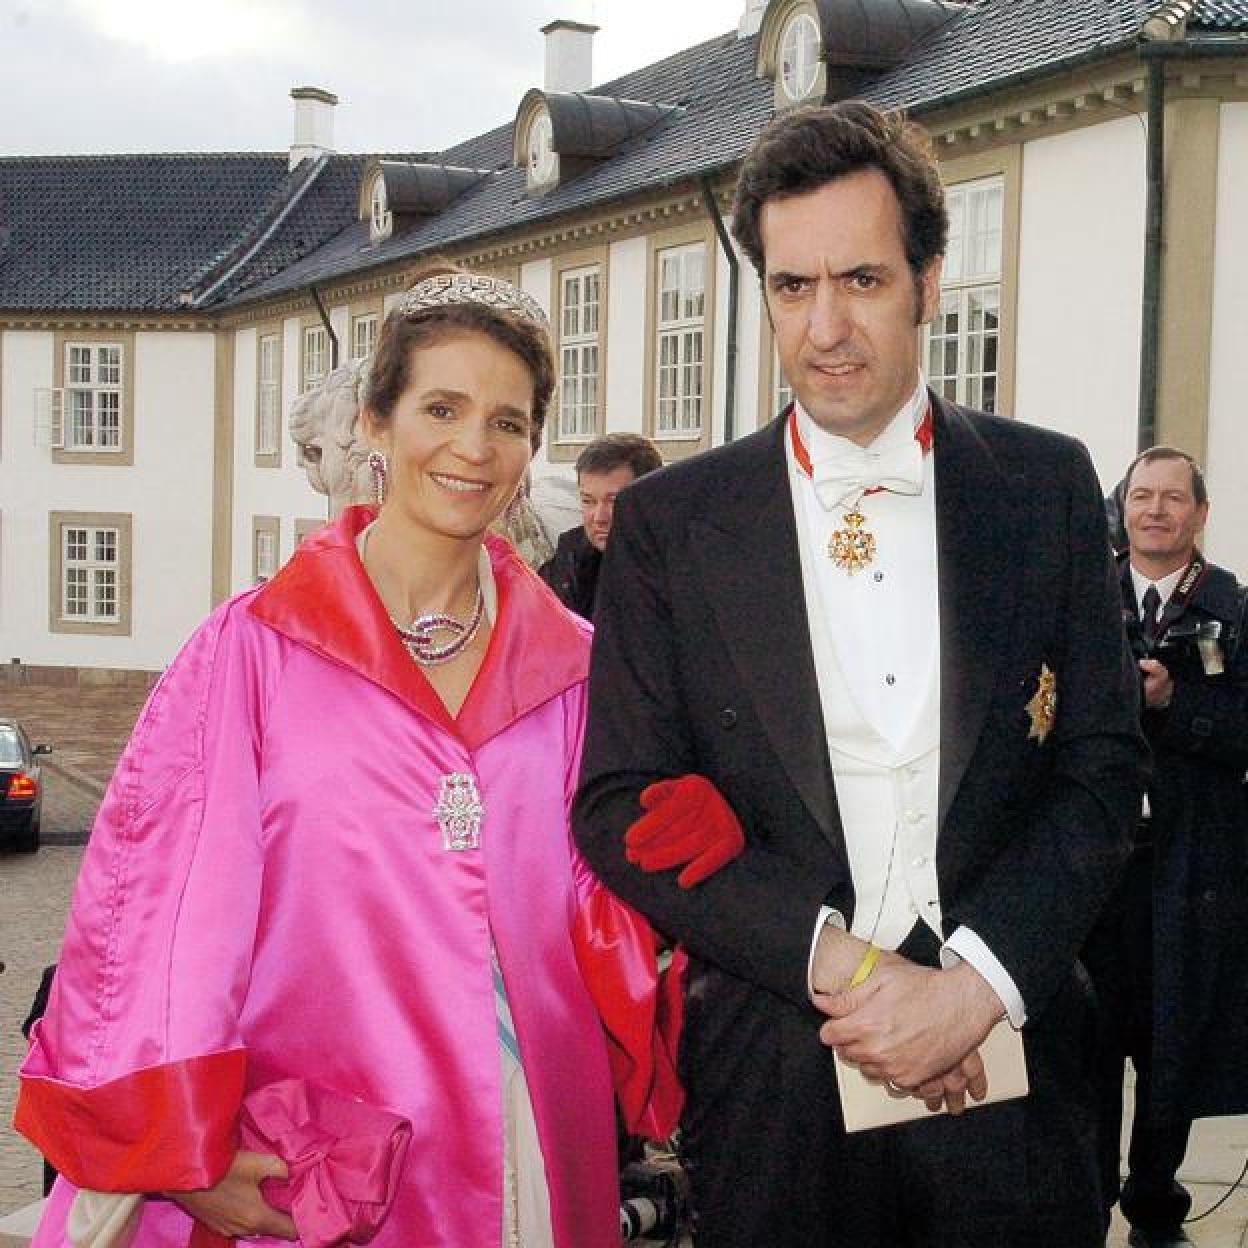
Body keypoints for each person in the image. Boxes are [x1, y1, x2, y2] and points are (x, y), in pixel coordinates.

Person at [573, 100, 1148, 1247]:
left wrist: (972, 987)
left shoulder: (1044, 487)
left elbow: (1100, 769)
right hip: (779, 1066)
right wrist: (841, 967)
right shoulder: (670, 525)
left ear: (931, 282)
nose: (827, 326)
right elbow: (614, 803)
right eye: (793, 287)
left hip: (1016, 1057)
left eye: (864, 281)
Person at [16, 268, 678, 1248]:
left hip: (533, 1133)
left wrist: (681, 858)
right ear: (376, 422)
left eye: (507, 420)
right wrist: (178, 1146)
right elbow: (155, 910)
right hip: (319, 1153)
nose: (472, 446)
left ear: (533, 444)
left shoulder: (580, 671)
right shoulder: (257, 649)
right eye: (441, 407)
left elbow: (604, 917)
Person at [1084, 447, 1248, 1248]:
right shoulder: (1083, 594)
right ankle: (1081, 1198)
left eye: (1172, 498)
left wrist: (1176, 699)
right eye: (1141, 496)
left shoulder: (1231, 607)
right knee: (1084, 1038)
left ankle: (1154, 1204)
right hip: (1091, 866)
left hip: (1185, 869)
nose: (1155, 511)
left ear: (1200, 514)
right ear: (1123, 509)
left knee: (1168, 1043)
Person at [538, 433, 663, 619]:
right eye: (588, 501)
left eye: (613, 501)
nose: (598, 517)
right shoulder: (567, 561)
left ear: (650, 500)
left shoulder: (680, 569)